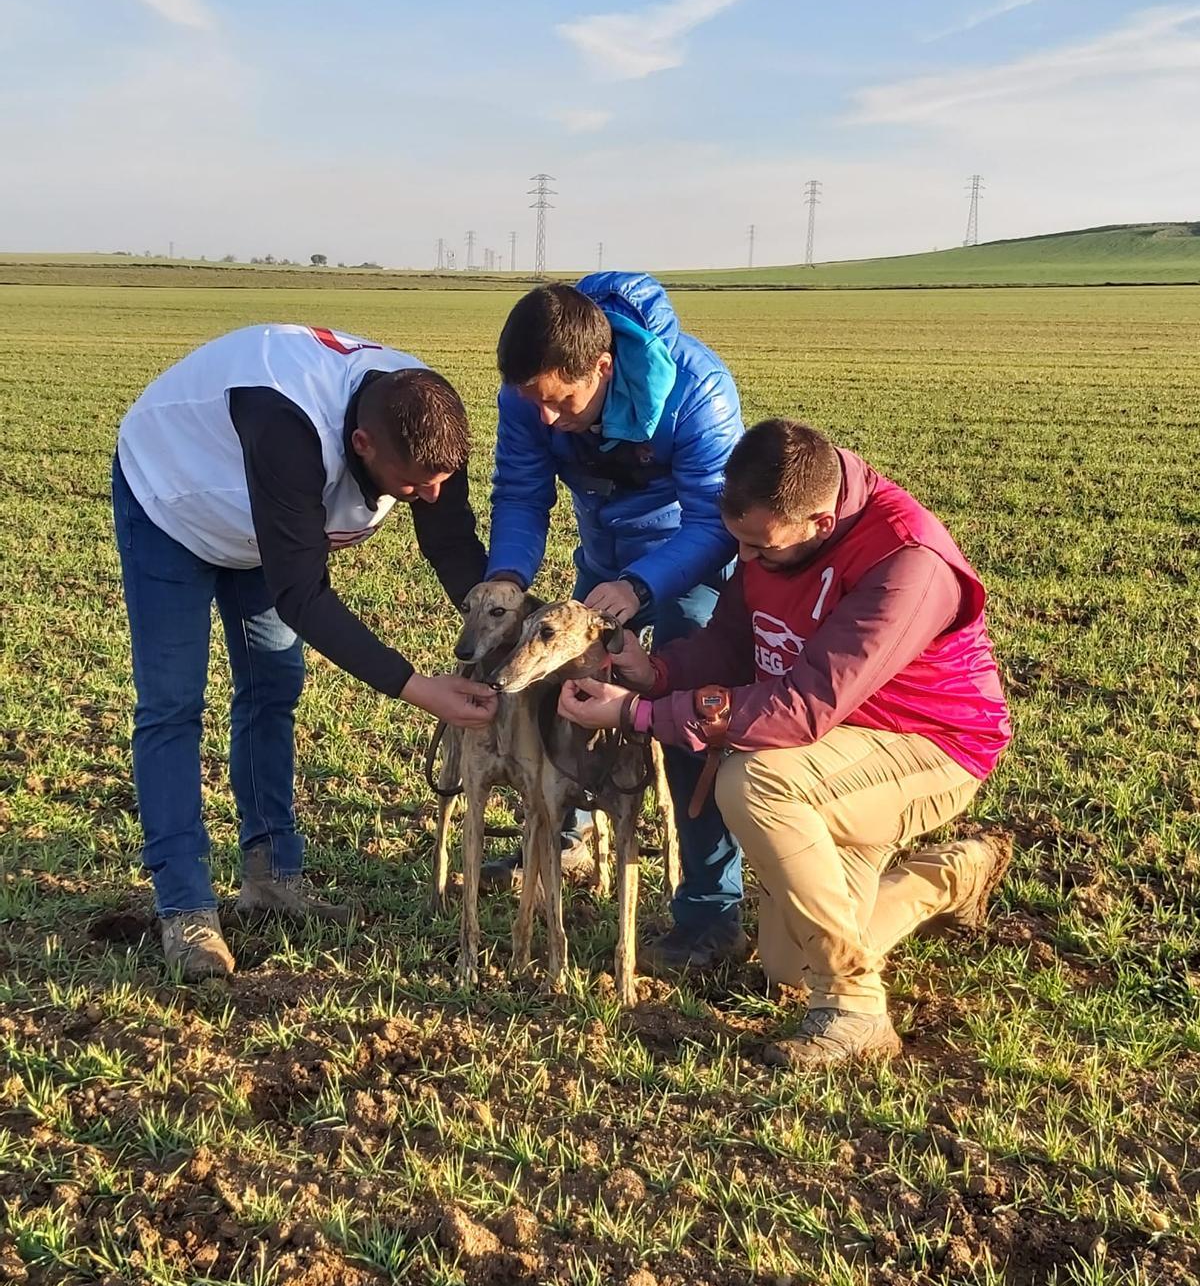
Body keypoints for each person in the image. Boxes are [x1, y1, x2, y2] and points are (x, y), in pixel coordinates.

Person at [557, 419, 1013, 1068]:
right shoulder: (774, 531)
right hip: (836, 752)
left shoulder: (907, 565)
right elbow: (730, 645)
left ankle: (854, 1009)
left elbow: (799, 709)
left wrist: (638, 714)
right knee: (791, 969)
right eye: (738, 543)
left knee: (757, 779)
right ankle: (950, 876)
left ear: (820, 525)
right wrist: (652, 674)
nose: (745, 561)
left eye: (760, 549)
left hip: (928, 748)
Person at [112, 322, 497, 981]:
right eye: (412, 488)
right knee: (173, 704)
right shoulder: (286, 426)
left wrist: (513, 637)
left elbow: (453, 546)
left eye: (442, 481)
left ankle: (270, 877)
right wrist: (414, 685)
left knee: (273, 688)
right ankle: (184, 907)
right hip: (172, 504)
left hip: (266, 522)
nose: (430, 498)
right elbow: (302, 596)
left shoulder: (425, 417)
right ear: (361, 443)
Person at [484, 274, 745, 962]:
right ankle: (565, 844)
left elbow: (717, 520)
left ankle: (710, 912)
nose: (545, 417)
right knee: (570, 696)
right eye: (531, 401)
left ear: (603, 367)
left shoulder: (698, 390)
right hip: (604, 559)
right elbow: (519, 490)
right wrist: (509, 576)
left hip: (687, 563)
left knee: (687, 721)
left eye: (559, 402)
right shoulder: (529, 397)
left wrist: (644, 585)